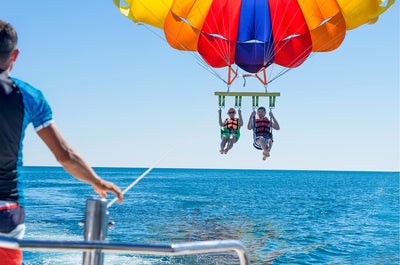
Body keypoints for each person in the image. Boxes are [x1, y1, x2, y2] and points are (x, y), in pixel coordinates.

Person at [0, 20, 124, 264]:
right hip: (7, 213)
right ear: (15, 55)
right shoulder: (29, 95)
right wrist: (97, 181)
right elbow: (65, 155)